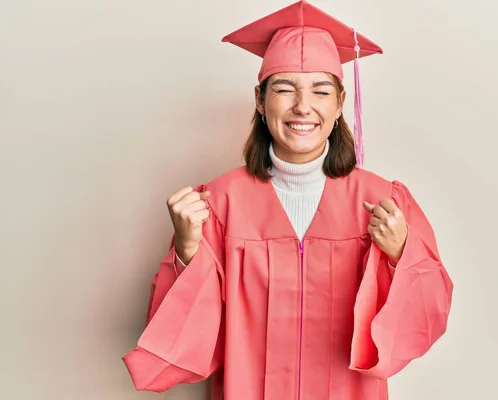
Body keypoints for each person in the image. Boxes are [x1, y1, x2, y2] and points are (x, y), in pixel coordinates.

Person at [122, 1, 454, 399]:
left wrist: (402, 255)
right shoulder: (219, 203)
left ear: (339, 103)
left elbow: (427, 312)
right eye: (284, 89)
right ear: (260, 101)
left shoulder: (383, 202)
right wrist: (187, 251)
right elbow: (184, 334)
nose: (303, 106)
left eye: (320, 90)